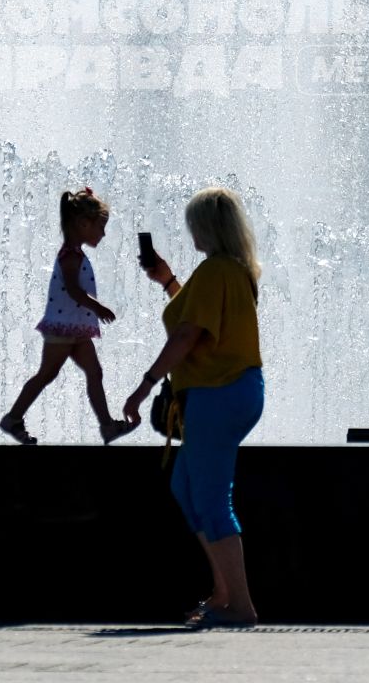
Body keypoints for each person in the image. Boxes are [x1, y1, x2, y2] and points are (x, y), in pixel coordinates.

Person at [123, 186, 265, 629]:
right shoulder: (232, 271)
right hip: (233, 390)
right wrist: (167, 281)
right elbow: (196, 318)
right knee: (187, 486)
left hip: (218, 393)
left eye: (193, 225)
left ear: (206, 227)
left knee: (209, 496)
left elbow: (186, 337)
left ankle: (240, 606)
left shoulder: (216, 271)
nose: (189, 233)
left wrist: (144, 386)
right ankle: (223, 591)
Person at [0, 187, 138, 446]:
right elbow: (74, 290)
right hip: (63, 328)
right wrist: (98, 308)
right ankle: (13, 418)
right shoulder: (70, 256)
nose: (103, 233)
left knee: (95, 372)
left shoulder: (75, 252)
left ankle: (107, 426)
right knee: (47, 374)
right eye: (100, 227)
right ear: (83, 224)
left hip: (75, 328)